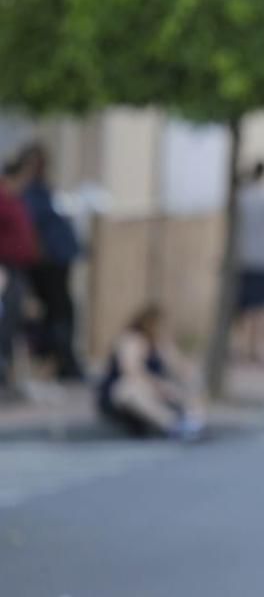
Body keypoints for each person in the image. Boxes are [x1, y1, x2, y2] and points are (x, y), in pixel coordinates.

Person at [18, 144, 85, 381]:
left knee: (64, 309)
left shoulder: (44, 190)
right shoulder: (26, 192)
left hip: (58, 259)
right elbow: (32, 228)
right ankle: (60, 360)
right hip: (46, 263)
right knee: (56, 312)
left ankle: (64, 360)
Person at [95, 305, 205, 440]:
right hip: (120, 394)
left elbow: (179, 366)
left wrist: (190, 373)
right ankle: (173, 424)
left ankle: (193, 421)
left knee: (189, 382)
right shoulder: (132, 340)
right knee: (130, 388)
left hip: (152, 390)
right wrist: (159, 386)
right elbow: (132, 372)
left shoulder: (160, 344)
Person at [234, 161, 264, 361]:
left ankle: (245, 345)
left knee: (246, 305)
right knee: (263, 305)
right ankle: (260, 347)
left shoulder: (242, 197)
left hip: (245, 256)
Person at [0, 158, 39, 391]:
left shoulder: (15, 200)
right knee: (5, 317)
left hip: (18, 266)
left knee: (14, 318)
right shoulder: (3, 200)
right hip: (5, 267)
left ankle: (5, 367)